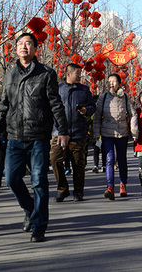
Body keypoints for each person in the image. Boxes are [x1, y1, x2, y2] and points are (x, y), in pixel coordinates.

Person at [0, 32, 69, 243]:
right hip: (15, 136)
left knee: (39, 182)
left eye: (28, 44)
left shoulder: (46, 73)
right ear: (16, 48)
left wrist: (63, 130)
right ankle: (31, 209)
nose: (24, 47)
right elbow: (3, 106)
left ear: (35, 49)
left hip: (38, 136)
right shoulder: (9, 75)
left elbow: (55, 104)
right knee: (11, 178)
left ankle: (39, 226)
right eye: (20, 44)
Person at [51, 63, 96, 202]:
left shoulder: (84, 90)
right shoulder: (57, 89)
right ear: (68, 74)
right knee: (55, 159)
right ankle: (62, 189)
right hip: (58, 132)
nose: (80, 75)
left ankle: (78, 192)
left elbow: (92, 106)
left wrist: (86, 110)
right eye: (77, 73)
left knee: (78, 164)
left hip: (78, 132)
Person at [93, 73, 138, 200]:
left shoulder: (125, 97)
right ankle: (110, 187)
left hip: (122, 133)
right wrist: (96, 134)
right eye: (109, 81)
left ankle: (123, 185)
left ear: (119, 83)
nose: (111, 84)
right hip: (107, 133)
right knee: (109, 160)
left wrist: (134, 131)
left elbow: (133, 114)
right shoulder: (104, 97)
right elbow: (97, 117)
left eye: (113, 81)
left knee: (122, 160)